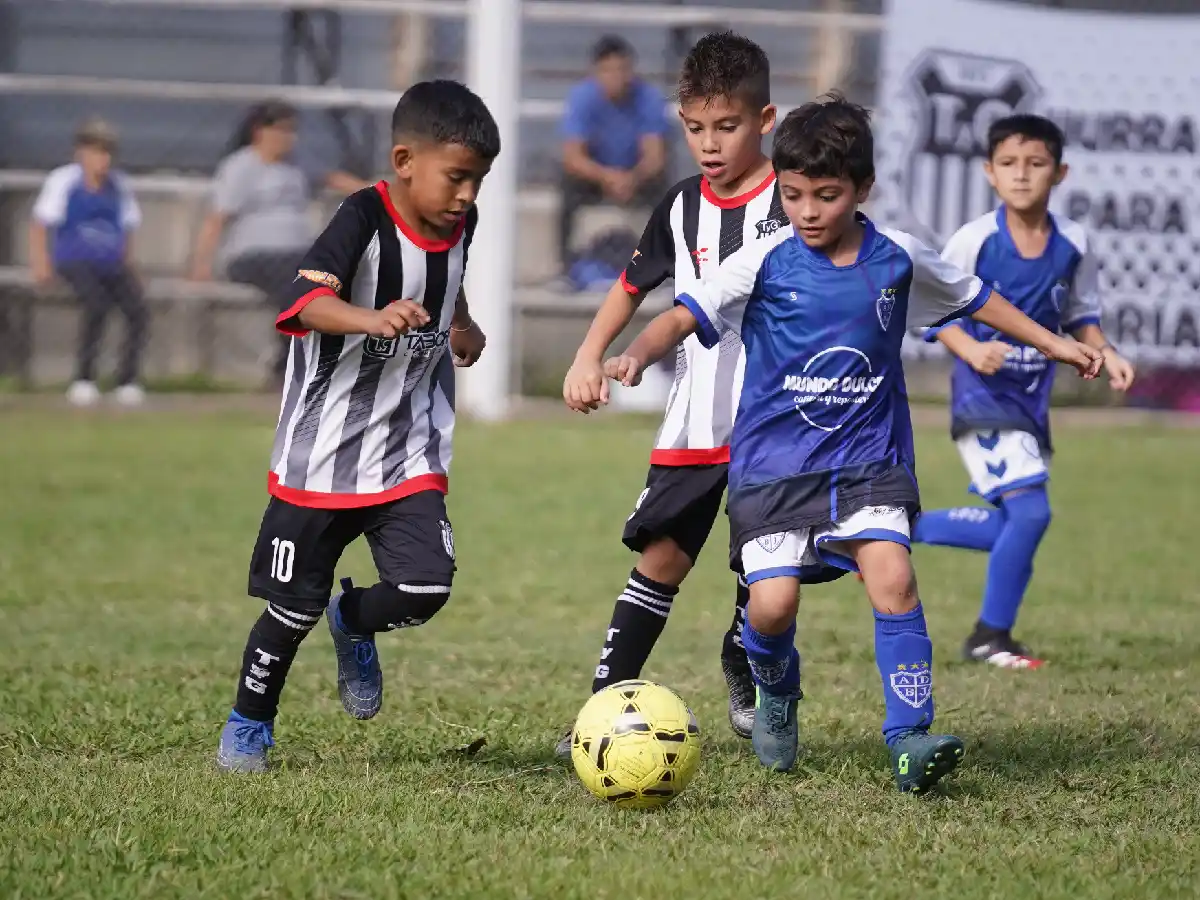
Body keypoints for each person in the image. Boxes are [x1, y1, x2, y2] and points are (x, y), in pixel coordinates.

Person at [601, 95, 1105, 792]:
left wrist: (1056, 343)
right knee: (772, 607)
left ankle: (909, 738)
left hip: (870, 459)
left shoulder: (896, 258)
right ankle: (777, 694)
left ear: (862, 190)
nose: (807, 211)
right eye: (794, 195)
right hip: (775, 466)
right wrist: (634, 355)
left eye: (827, 196)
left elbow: (977, 299)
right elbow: (685, 313)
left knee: (893, 580)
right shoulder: (765, 259)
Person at [214, 80, 497, 773]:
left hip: (407, 449)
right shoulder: (361, 217)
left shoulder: (464, 221)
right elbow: (304, 300)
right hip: (322, 454)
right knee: (289, 612)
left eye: (478, 180)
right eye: (456, 177)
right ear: (405, 159)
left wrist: (461, 323)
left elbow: (448, 279)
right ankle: (250, 722)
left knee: (427, 586)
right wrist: (370, 318)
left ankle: (355, 621)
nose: (466, 194)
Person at [557, 31, 782, 760]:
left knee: (764, 574)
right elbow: (630, 288)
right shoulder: (680, 207)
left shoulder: (796, 198)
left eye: (728, 127)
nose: (709, 144)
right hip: (693, 420)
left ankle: (744, 660)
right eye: (695, 129)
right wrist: (589, 356)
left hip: (776, 423)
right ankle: (597, 710)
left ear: (765, 120)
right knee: (660, 560)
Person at [911, 115, 1135, 669]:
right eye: (1009, 164)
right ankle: (990, 636)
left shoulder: (1074, 243)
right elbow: (933, 311)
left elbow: (1082, 314)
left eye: (1035, 164)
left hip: (1031, 406)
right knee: (1030, 517)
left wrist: (1107, 352)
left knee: (1017, 527)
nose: (1021, 175)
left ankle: (887, 528)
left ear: (1059, 172)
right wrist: (969, 349)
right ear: (990, 172)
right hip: (982, 401)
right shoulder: (975, 240)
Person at [190, 100, 370, 384]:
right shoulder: (241, 167)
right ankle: (287, 368)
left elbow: (333, 178)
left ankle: (322, 365)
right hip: (251, 256)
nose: (290, 137)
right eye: (283, 130)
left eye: (293, 130)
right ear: (260, 131)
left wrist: (378, 193)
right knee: (301, 283)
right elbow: (216, 219)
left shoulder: (296, 164)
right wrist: (201, 265)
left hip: (297, 255)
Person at [29, 118, 147, 407]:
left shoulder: (119, 186)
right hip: (75, 259)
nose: (101, 160)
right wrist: (41, 263)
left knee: (138, 310)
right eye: (95, 152)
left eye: (106, 153)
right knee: (96, 304)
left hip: (110, 262)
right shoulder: (64, 181)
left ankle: (127, 380)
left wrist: (129, 265)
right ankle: (84, 378)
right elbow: (41, 225)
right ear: (80, 153)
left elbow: (128, 228)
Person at [559, 34, 669, 270]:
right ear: (595, 72)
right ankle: (565, 268)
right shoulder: (582, 97)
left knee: (667, 194)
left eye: (622, 69)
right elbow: (573, 157)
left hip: (636, 175)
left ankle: (665, 267)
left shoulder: (648, 97)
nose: (616, 77)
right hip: (597, 175)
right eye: (608, 70)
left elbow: (655, 156)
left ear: (632, 71)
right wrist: (607, 177)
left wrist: (632, 178)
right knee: (567, 185)